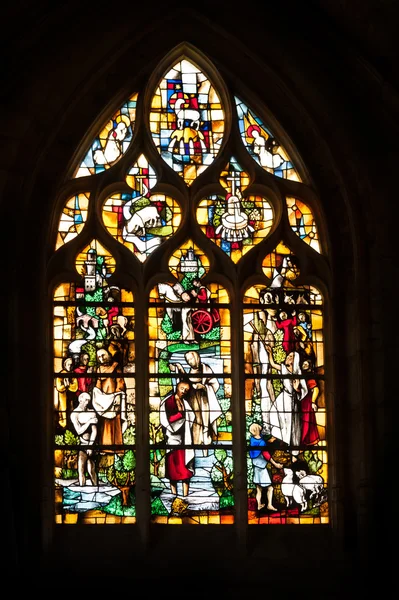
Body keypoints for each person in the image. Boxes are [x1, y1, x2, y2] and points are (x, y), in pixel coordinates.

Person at [171, 350, 222, 456]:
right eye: (187, 360)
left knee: (205, 424)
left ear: (196, 357)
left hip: (204, 401)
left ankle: (205, 451)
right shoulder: (190, 371)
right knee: (194, 422)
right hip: (192, 402)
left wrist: (203, 387)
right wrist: (179, 368)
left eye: (191, 358)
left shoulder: (205, 369)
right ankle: (194, 449)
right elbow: (187, 383)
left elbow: (215, 384)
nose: (190, 361)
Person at [265, 347, 308, 459]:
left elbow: (303, 391)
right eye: (288, 356)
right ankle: (277, 436)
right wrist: (270, 352)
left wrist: (297, 388)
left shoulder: (298, 373)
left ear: (295, 360)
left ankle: (291, 448)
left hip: (292, 402)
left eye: (291, 356)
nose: (288, 357)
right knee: (274, 413)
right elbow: (273, 364)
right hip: (283, 398)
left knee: (290, 424)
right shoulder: (283, 368)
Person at [159, 380, 195, 497]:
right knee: (172, 471)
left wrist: (184, 417)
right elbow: (166, 419)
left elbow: (191, 416)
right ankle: (174, 495)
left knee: (185, 469)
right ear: (177, 387)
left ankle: (186, 495)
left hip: (184, 439)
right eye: (182, 388)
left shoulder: (185, 403)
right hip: (172, 440)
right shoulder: (168, 402)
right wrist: (180, 415)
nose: (183, 391)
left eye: (186, 390)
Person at [92, 348, 127, 447]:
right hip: (104, 401)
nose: (101, 358)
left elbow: (120, 381)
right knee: (104, 424)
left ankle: (117, 447)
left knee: (115, 422)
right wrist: (97, 396)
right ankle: (104, 447)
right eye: (99, 357)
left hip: (114, 398)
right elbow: (98, 384)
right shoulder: (99, 369)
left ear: (108, 355)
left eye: (103, 355)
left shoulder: (116, 368)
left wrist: (118, 395)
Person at [249, 422, 283, 511]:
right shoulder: (261, 442)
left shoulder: (252, 440)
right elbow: (266, 455)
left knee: (259, 488)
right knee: (270, 488)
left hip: (256, 467)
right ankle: (269, 505)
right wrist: (276, 464)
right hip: (261, 468)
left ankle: (259, 505)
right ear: (257, 430)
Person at [70, 392, 98, 486]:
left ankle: (96, 489)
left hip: (91, 444)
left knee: (91, 470)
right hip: (82, 445)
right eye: (86, 400)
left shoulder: (91, 412)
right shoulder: (75, 414)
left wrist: (90, 445)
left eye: (89, 400)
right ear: (80, 400)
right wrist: (89, 422)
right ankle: (82, 491)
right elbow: (78, 431)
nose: (87, 402)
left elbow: (94, 431)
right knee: (80, 470)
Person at [300, 359, 320, 446]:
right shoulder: (299, 375)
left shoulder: (309, 376)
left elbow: (316, 389)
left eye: (306, 365)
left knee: (307, 421)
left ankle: (305, 442)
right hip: (300, 401)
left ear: (309, 367)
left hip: (306, 402)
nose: (304, 366)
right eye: (303, 364)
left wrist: (313, 402)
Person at [55, 356, 79, 429]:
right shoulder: (61, 374)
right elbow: (59, 387)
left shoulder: (73, 374)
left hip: (71, 397)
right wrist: (65, 386)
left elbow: (75, 386)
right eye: (68, 364)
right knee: (63, 411)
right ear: (65, 365)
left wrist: (69, 385)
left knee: (71, 410)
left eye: (71, 365)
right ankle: (63, 426)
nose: (70, 366)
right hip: (63, 397)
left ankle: (71, 426)